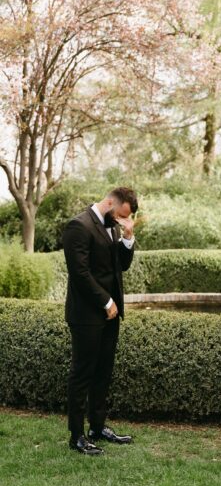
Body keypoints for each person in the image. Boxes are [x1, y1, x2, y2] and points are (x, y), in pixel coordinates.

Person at [63, 187, 138, 455]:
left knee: (103, 372)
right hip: (86, 314)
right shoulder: (78, 226)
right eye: (120, 215)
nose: (121, 221)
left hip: (111, 314)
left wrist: (128, 238)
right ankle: (77, 436)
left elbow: (120, 266)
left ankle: (97, 427)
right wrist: (106, 302)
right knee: (82, 374)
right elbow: (80, 273)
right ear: (109, 202)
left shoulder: (113, 225)